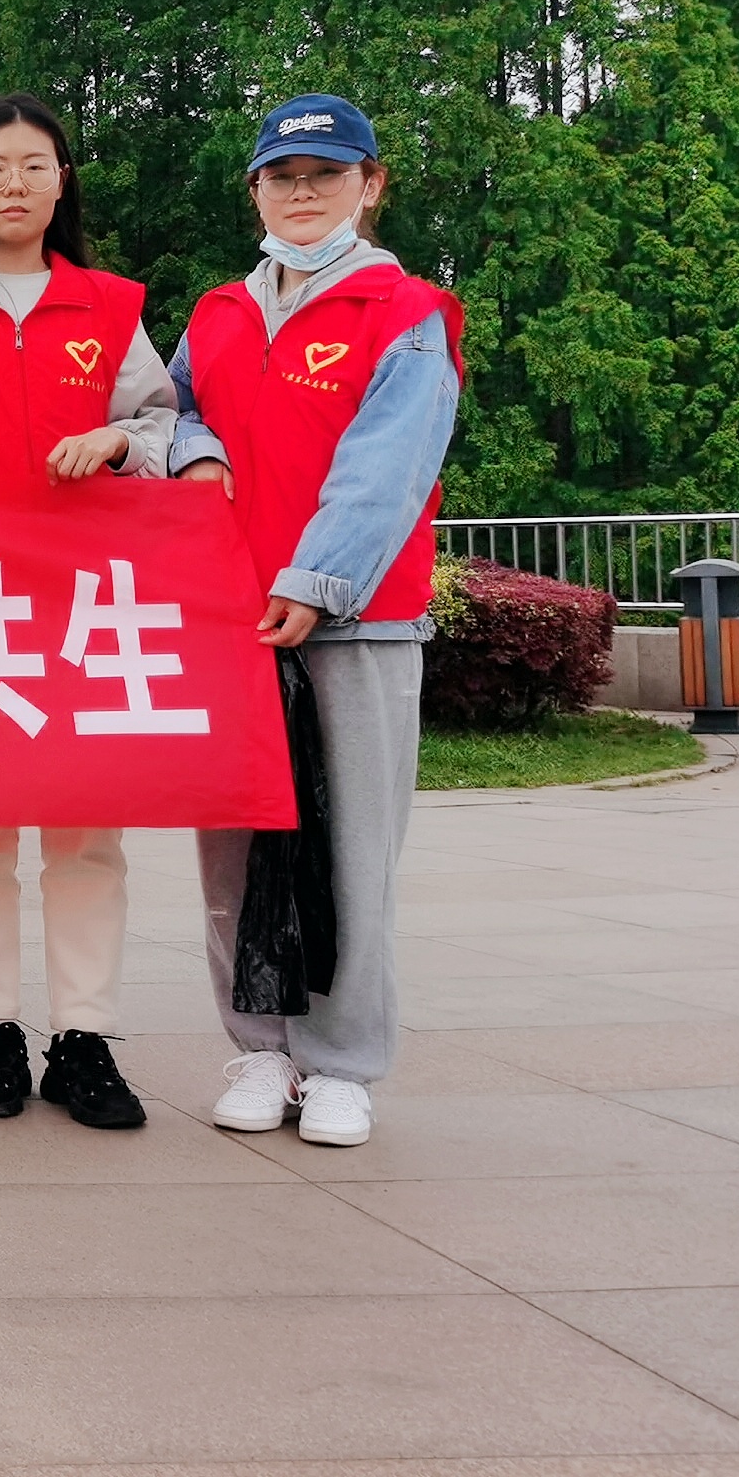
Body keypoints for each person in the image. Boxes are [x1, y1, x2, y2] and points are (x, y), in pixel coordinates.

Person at [172, 96, 461, 1150]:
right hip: (228, 625)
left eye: (326, 175)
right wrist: (192, 450)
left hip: (355, 624)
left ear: (369, 185)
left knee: (351, 856)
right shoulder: (216, 313)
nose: (302, 194)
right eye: (282, 178)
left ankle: (340, 1065)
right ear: (254, 189)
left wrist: (316, 579)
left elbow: (387, 467)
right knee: (231, 858)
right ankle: (258, 1047)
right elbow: (171, 410)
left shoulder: (406, 313)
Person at [0, 92, 174, 1132]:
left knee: (85, 831)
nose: (13, 184)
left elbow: (166, 426)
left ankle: (84, 1037)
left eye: (33, 165)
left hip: (83, 606)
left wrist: (116, 440)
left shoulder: (108, 306)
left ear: (63, 183)